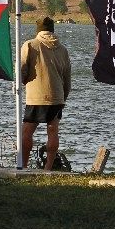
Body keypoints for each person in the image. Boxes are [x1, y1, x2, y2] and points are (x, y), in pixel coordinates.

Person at [20, 16, 71, 170]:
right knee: (53, 131)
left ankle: (23, 165)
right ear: (52, 30)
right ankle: (48, 168)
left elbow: (22, 69)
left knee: (26, 132)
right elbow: (67, 77)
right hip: (57, 96)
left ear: (38, 30)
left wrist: (22, 82)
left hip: (36, 96)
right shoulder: (63, 49)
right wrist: (63, 97)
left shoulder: (30, 45)